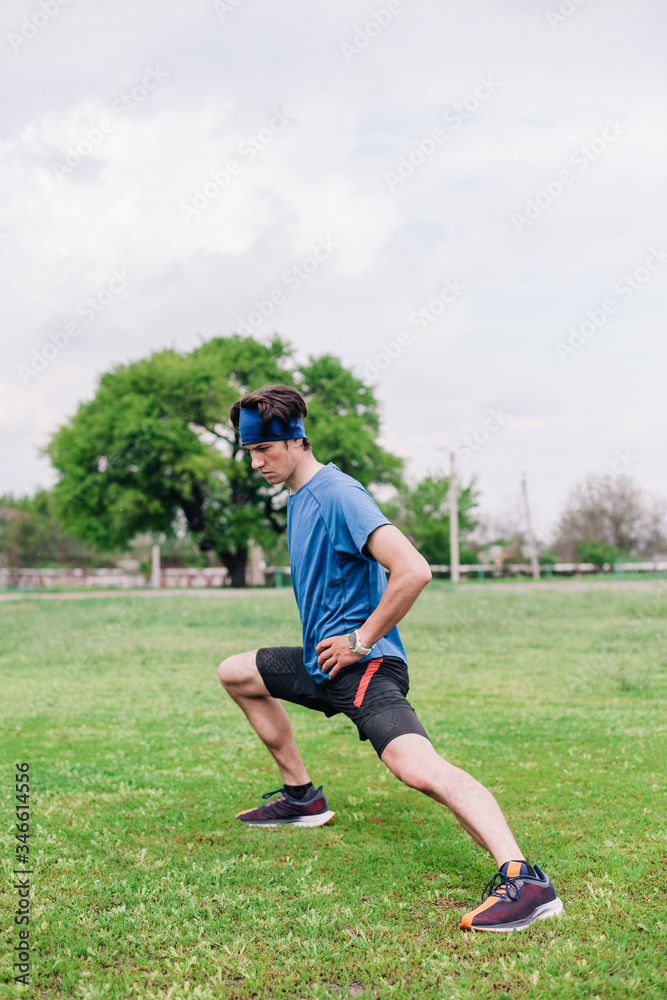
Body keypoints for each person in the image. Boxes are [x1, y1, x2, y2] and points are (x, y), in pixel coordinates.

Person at [217, 384, 563, 932]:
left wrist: (360, 639)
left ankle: (524, 880)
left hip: (365, 666)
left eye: (266, 450)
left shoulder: (338, 494)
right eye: (251, 453)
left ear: (298, 441)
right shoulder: (300, 496)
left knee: (417, 768)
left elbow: (414, 570)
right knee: (237, 672)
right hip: (321, 663)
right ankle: (302, 797)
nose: (257, 462)